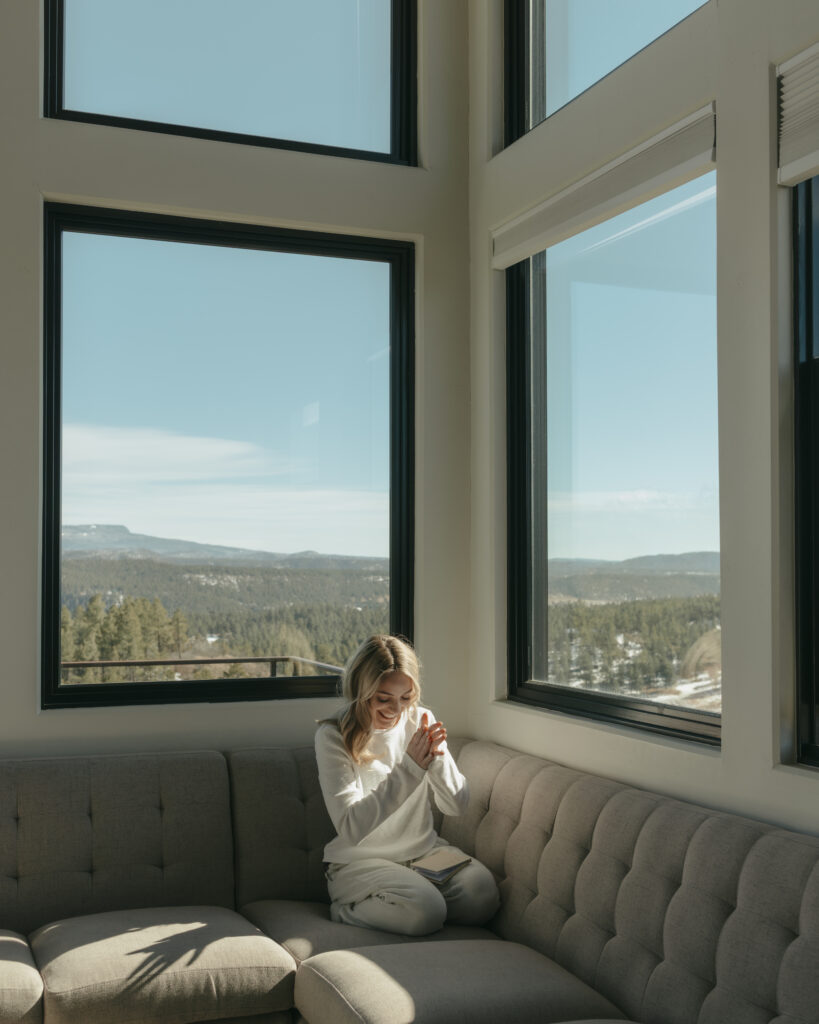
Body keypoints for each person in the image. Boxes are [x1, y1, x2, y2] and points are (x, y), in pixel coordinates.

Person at [315, 634, 500, 936]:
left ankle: (410, 903)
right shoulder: (333, 735)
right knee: (424, 911)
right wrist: (411, 767)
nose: (396, 710)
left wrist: (436, 760)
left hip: (422, 854)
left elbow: (456, 805)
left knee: (482, 895)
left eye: (405, 698)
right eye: (383, 699)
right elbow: (351, 827)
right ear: (361, 691)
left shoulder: (420, 719)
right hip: (362, 861)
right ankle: (347, 912)